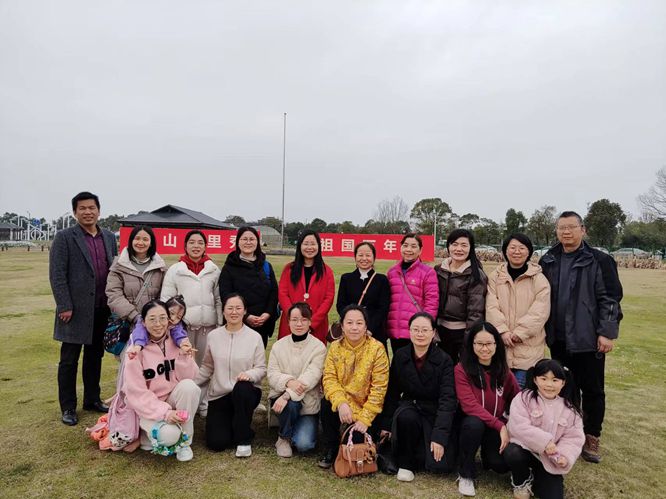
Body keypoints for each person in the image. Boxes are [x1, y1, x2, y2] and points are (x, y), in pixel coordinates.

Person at [539, 211, 623, 463]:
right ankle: (567, 432)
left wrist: (606, 332)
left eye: (571, 227)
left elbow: (610, 299)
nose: (566, 232)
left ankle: (592, 435)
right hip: (558, 338)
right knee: (564, 387)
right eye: (561, 227)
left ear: (582, 230)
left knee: (593, 389)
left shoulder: (600, 260)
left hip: (587, 338)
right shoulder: (549, 259)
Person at [49, 191, 118, 426]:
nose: (88, 212)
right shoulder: (64, 237)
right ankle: (68, 407)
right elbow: (57, 274)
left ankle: (92, 399)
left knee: (94, 357)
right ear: (75, 212)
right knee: (69, 360)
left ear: (99, 210)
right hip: (74, 310)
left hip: (102, 308)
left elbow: (114, 269)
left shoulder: (108, 237)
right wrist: (64, 305)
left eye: (92, 208)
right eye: (82, 208)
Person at [379, 312, 457, 482]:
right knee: (406, 417)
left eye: (425, 330)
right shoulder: (401, 355)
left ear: (433, 332)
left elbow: (447, 400)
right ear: (409, 331)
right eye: (415, 329)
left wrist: (439, 436)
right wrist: (386, 424)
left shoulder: (444, 360)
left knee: (441, 465)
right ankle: (406, 465)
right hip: (410, 409)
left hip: (433, 412)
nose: (420, 334)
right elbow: (392, 392)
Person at [123, 300, 201, 462]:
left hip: (171, 398)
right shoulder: (135, 351)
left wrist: (184, 356)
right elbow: (137, 394)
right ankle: (146, 435)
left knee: (190, 387)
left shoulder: (177, 340)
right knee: (170, 436)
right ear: (143, 322)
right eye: (152, 319)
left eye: (162, 318)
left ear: (169, 320)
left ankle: (185, 443)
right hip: (148, 407)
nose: (158, 324)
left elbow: (190, 377)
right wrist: (165, 413)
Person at [318, 304, 390, 469]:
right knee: (326, 404)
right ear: (342, 326)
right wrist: (341, 403)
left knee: (357, 443)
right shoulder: (335, 347)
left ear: (366, 326)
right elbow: (329, 378)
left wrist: (364, 419)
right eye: (349, 323)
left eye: (359, 323)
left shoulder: (377, 349)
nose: (354, 327)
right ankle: (331, 447)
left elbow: (379, 388)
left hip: (366, 407)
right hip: (342, 404)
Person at [195, 293, 266, 457]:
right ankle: (236, 425)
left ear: (245, 311)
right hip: (220, 394)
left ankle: (244, 440)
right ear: (223, 311)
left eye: (238, 308)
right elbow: (207, 366)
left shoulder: (254, 337)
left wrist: (249, 374)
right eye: (230, 308)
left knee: (242, 389)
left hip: (246, 392)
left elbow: (261, 368)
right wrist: (192, 383)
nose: (234, 312)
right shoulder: (213, 336)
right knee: (216, 443)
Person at [454, 322, 521, 497]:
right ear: (472, 344)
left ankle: (486, 455)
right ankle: (466, 474)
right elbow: (469, 405)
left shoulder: (504, 371)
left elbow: (518, 400)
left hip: (494, 426)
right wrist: (500, 426)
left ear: (496, 345)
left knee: (499, 465)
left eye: (489, 343)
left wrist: (509, 424)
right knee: (474, 424)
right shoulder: (461, 369)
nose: (484, 348)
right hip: (470, 424)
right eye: (479, 343)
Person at [505, 359, 585, 499]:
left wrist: (565, 456)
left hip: (548, 459)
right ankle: (521, 481)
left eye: (555, 380)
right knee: (513, 453)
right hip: (524, 450)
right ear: (535, 380)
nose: (549, 384)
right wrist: (545, 442)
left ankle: (537, 476)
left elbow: (573, 438)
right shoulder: (524, 398)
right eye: (543, 379)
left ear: (563, 383)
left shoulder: (570, 410)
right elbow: (518, 426)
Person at [486, 233, 551, 388]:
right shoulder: (495, 277)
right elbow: (491, 306)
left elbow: (540, 311)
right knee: (499, 394)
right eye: (512, 248)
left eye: (522, 248)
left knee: (521, 395)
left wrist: (520, 333)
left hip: (528, 350)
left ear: (529, 252)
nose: (517, 252)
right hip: (501, 348)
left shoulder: (539, 279)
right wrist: (502, 331)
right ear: (505, 251)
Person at [268, 302, 327, 458]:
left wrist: (287, 394)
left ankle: (295, 426)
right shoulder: (278, 346)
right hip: (282, 402)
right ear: (288, 322)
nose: (299, 324)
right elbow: (272, 374)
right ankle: (283, 438)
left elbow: (312, 376)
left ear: (310, 321)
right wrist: (288, 382)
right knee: (292, 405)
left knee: (304, 444)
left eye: (303, 319)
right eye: (294, 320)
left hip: (307, 403)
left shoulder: (319, 347)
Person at [161, 230, 223, 365]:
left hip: (208, 328)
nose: (196, 246)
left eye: (200, 243)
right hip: (182, 329)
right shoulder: (175, 270)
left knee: (206, 365)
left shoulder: (214, 270)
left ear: (205, 246)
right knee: (182, 364)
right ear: (185, 246)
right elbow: (166, 299)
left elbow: (218, 299)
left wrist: (219, 324)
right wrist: (170, 324)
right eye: (192, 242)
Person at [219, 226, 279, 348]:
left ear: (257, 242)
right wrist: (246, 316)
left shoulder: (266, 266)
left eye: (252, 239)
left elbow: (274, 292)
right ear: (238, 242)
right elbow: (225, 295)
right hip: (237, 323)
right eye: (244, 239)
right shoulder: (229, 267)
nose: (248, 242)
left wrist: (267, 313)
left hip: (262, 324)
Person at [434, 228, 487, 364]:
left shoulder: (476, 275)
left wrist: (469, 340)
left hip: (461, 333)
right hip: (439, 332)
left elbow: (475, 312)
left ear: (471, 248)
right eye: (455, 244)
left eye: (464, 245)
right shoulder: (438, 270)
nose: (459, 249)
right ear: (448, 246)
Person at [278, 230, 335, 344]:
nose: (309, 247)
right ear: (300, 246)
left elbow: (328, 299)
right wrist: (294, 319)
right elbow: (283, 294)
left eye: (313, 244)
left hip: (316, 327)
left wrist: (312, 323)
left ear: (319, 246)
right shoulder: (289, 269)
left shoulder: (326, 271)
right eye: (306, 244)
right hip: (290, 325)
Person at [386, 233, 439, 355]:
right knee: (398, 363)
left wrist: (425, 326)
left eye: (413, 246)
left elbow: (432, 303)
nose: (409, 249)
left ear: (420, 250)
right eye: (405, 245)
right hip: (395, 330)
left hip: (416, 331)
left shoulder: (428, 272)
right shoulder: (392, 272)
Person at [106, 225, 166, 328]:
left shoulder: (160, 267)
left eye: (145, 239)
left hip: (154, 325)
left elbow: (164, 295)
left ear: (151, 243)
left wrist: (154, 317)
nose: (140, 243)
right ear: (131, 240)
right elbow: (114, 295)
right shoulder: (118, 266)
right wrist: (135, 317)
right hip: (126, 323)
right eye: (137, 238)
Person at [336, 242, 391, 348]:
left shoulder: (382, 280)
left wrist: (369, 329)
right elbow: (341, 305)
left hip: (375, 332)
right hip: (352, 331)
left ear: (374, 258)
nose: (364, 258)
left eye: (368, 255)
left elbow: (383, 308)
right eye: (360, 255)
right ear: (355, 257)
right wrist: (351, 324)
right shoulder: (346, 278)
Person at [126, 295, 193, 359]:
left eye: (178, 317)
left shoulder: (176, 326)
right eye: (172, 313)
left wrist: (183, 343)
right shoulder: (144, 322)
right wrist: (138, 346)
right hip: (142, 353)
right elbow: (140, 332)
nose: (173, 318)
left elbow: (179, 334)